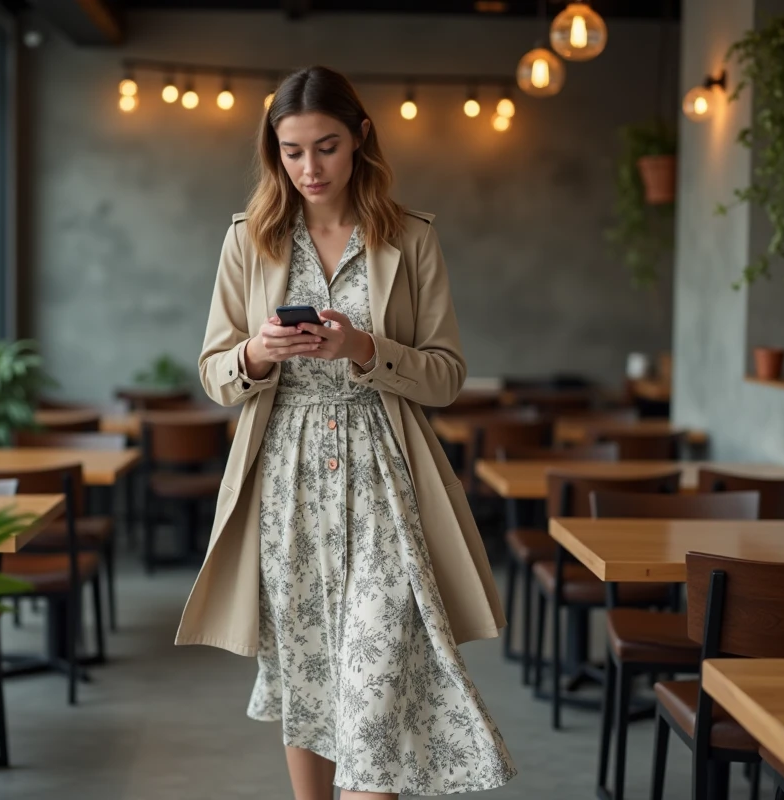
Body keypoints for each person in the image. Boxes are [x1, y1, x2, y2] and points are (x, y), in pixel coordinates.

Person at [176, 65, 516, 799]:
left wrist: (365, 349)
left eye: (326, 147)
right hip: (285, 480)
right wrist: (257, 353)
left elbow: (446, 377)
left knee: (375, 678)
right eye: (292, 151)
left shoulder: (411, 239)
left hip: (385, 477)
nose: (310, 168)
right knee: (307, 669)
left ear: (361, 137)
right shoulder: (250, 240)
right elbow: (214, 373)